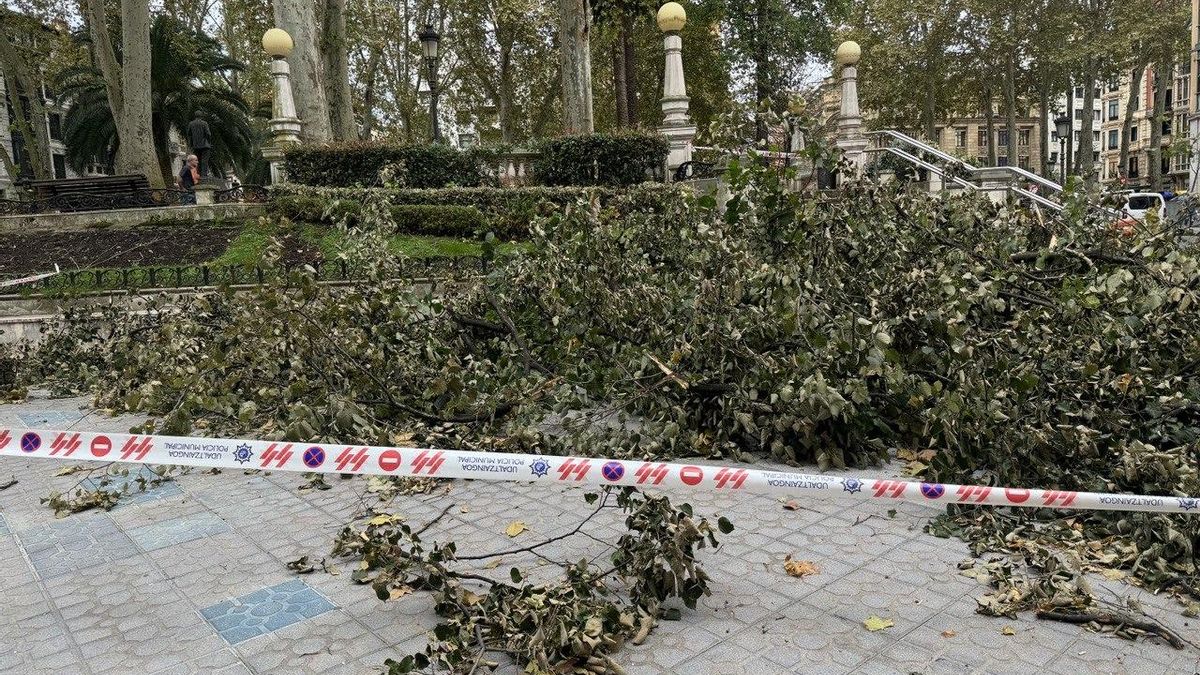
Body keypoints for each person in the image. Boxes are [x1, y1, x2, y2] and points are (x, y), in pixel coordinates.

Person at [187, 111, 212, 177]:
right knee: (204, 161)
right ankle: (204, 175)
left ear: (195, 116)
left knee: (197, 161)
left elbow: (189, 134)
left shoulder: (191, 124)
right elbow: (208, 134)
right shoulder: (204, 123)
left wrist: (192, 143)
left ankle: (198, 175)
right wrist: (209, 142)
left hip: (196, 146)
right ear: (201, 116)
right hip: (205, 145)